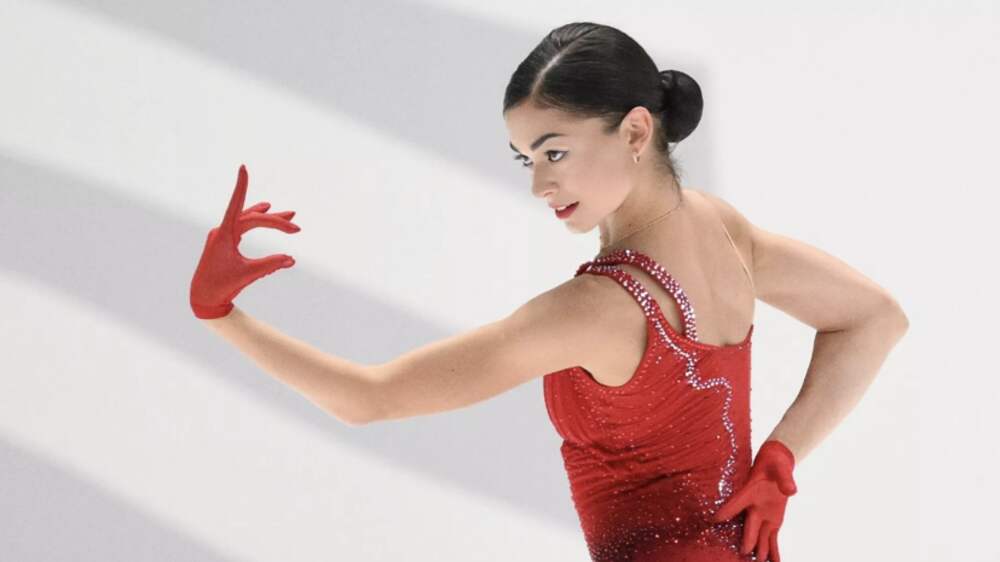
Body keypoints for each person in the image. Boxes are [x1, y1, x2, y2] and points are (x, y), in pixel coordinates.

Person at [189, 21, 909, 562]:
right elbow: (873, 318)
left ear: (636, 130)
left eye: (555, 151)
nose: (539, 183)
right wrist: (779, 460)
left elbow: (368, 398)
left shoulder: (598, 310)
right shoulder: (723, 230)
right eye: (526, 159)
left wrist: (221, 315)